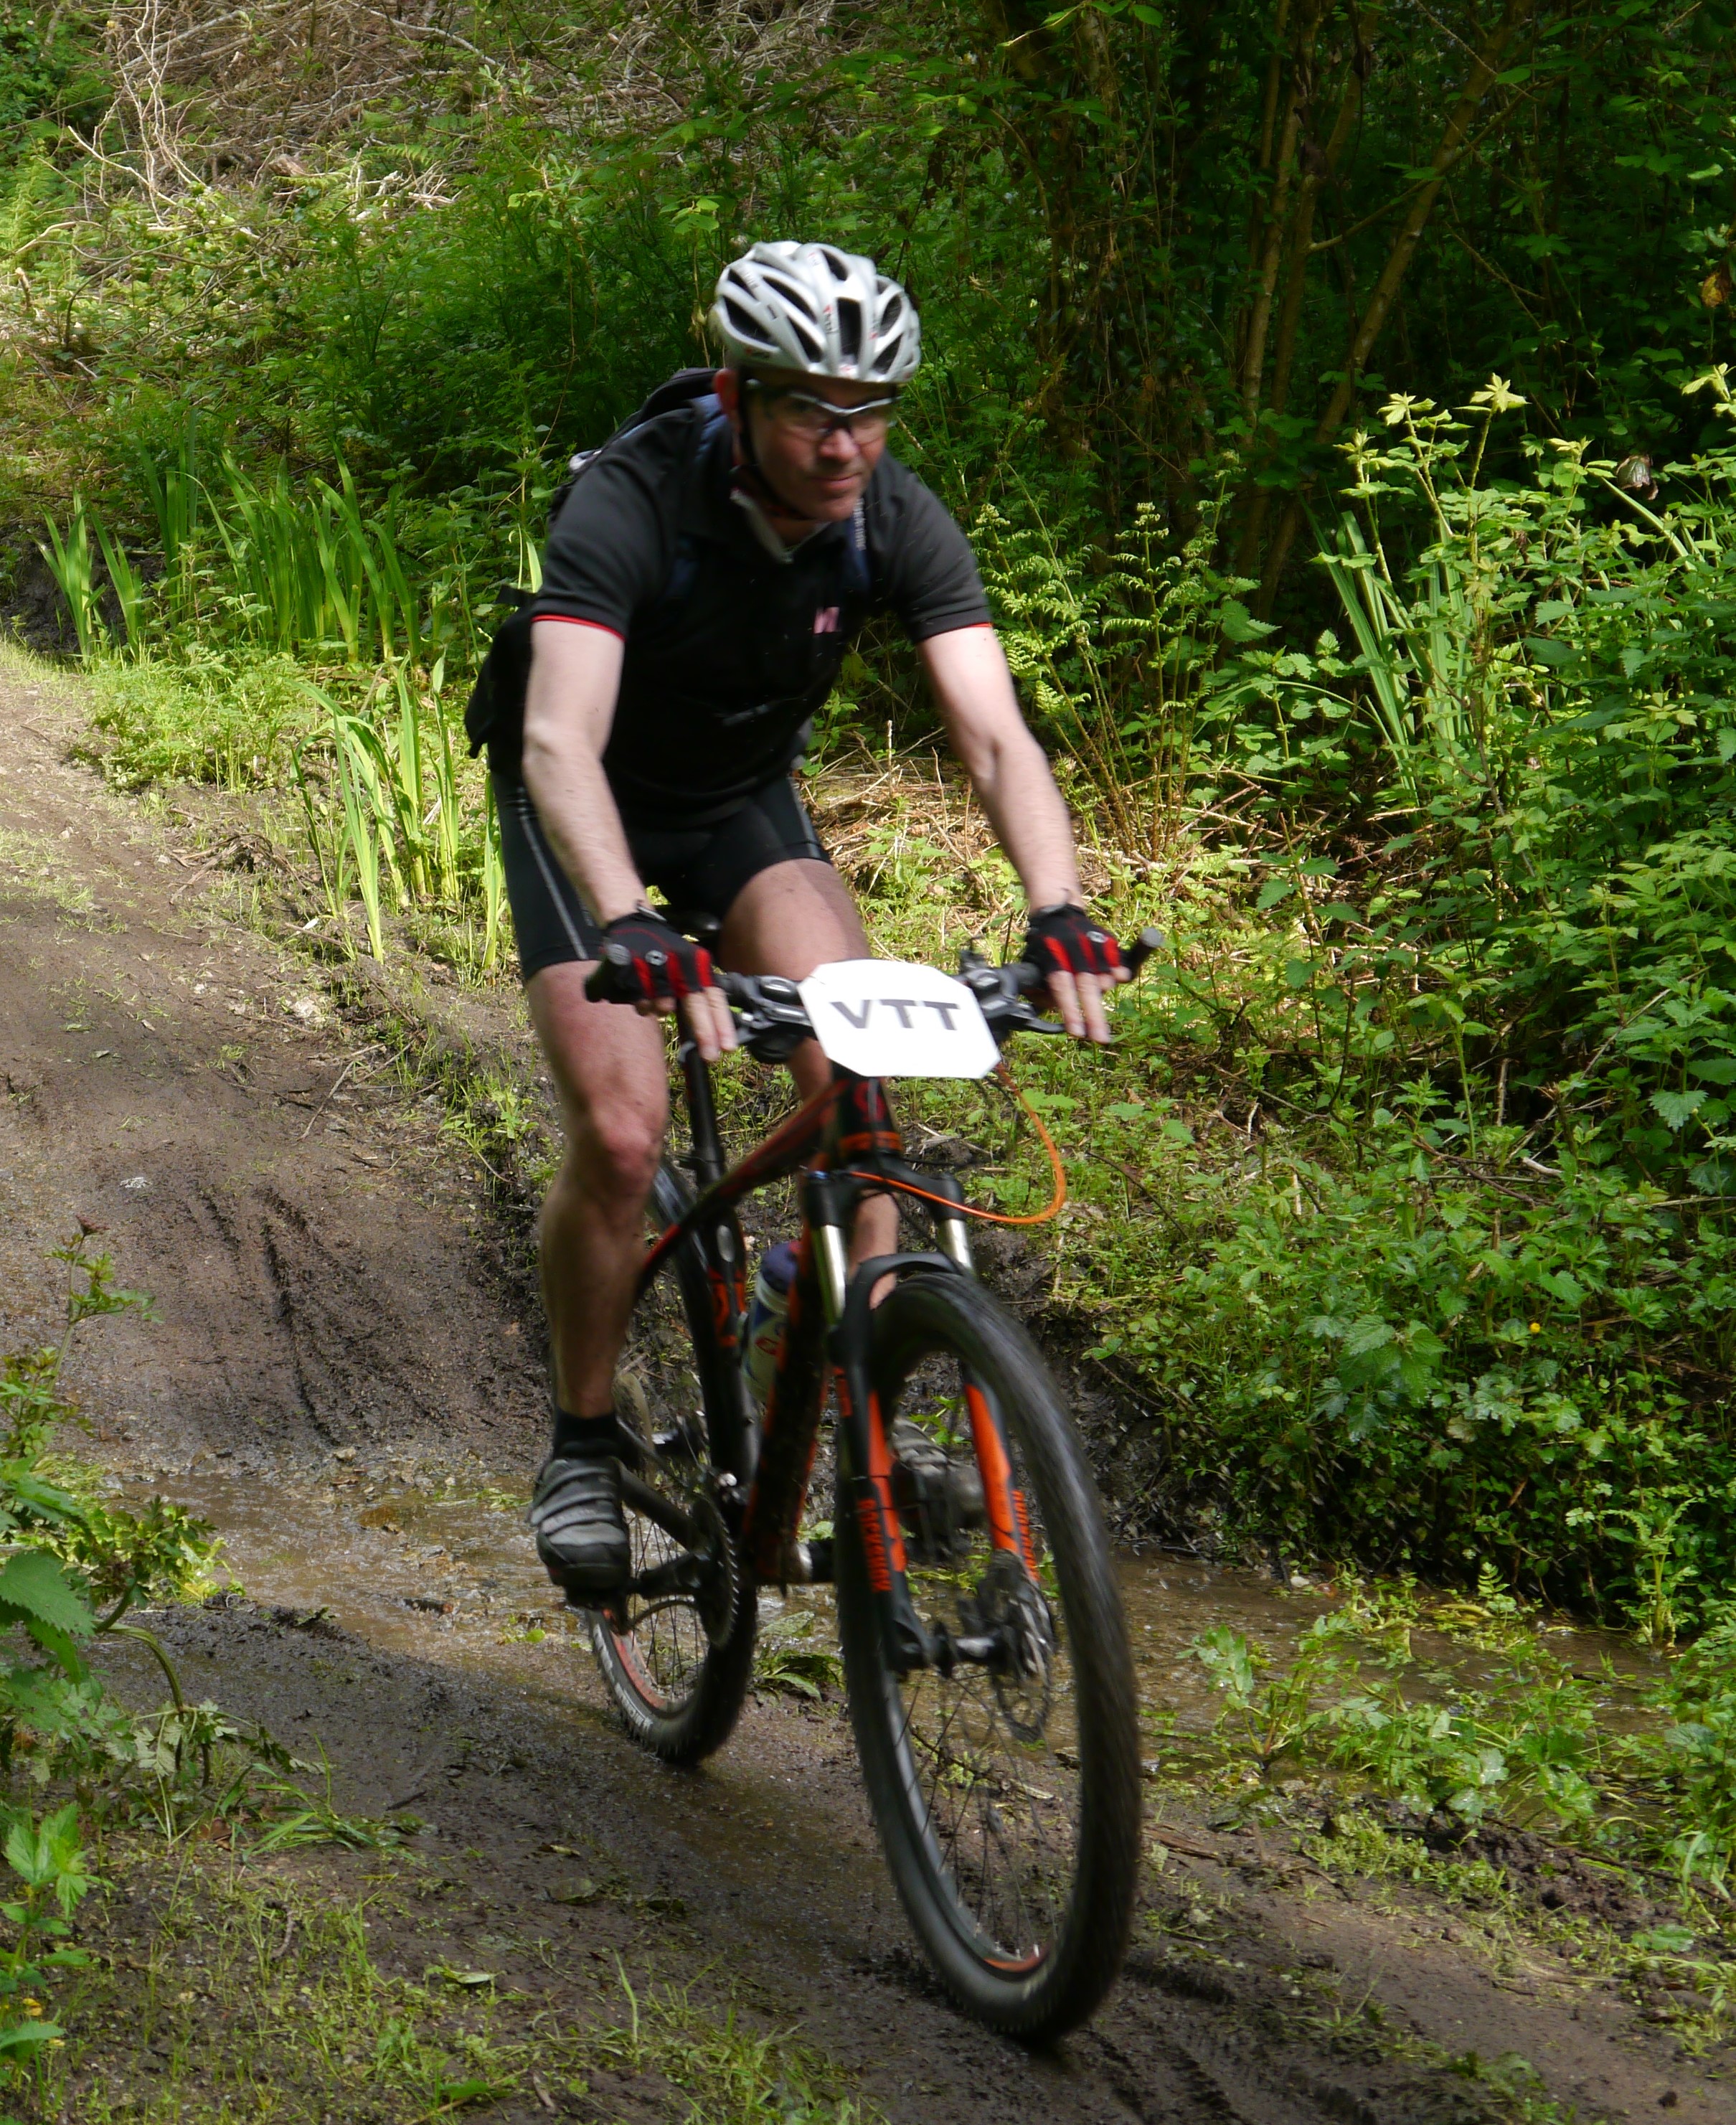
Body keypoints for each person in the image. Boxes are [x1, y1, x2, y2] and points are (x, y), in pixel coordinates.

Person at [499, 239, 1126, 1595]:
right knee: (624, 1131)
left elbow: (995, 735)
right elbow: (557, 740)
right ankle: (583, 1441)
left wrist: (1059, 904)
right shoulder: (632, 499)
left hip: (737, 804)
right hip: (588, 812)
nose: (846, 446)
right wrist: (626, 917)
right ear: (739, 397)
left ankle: (843, 1381)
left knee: (863, 1089)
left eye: (872, 412)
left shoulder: (891, 514)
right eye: (812, 412)